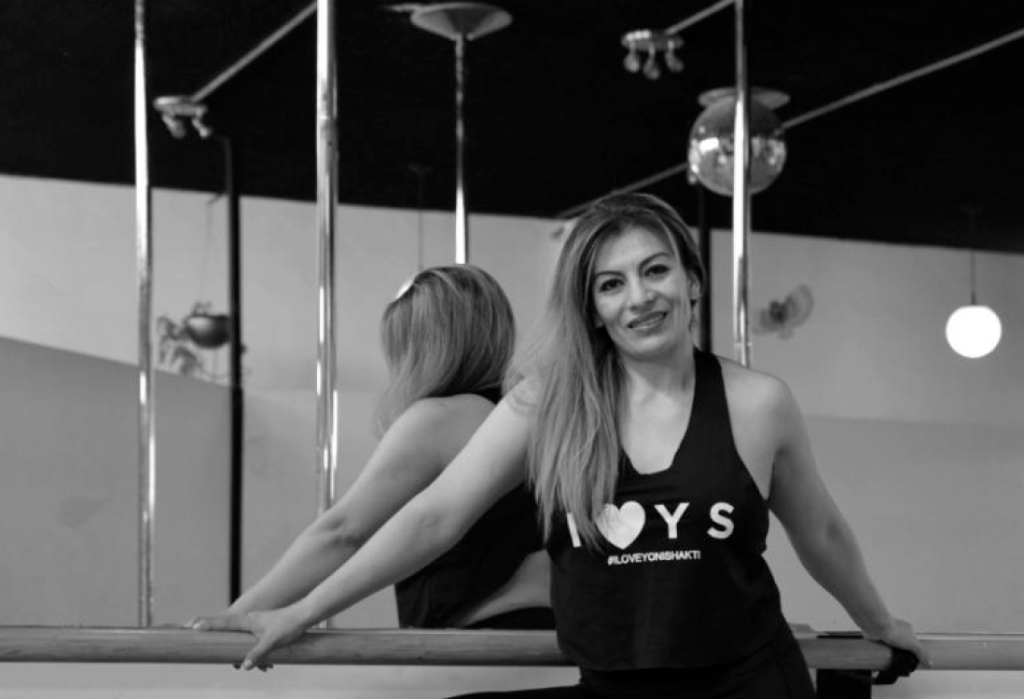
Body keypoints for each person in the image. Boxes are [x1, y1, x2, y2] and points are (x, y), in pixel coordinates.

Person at [192, 193, 927, 697]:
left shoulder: (759, 402)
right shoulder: (545, 405)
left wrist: (881, 624)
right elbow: (431, 518)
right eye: (611, 284)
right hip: (613, 687)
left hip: (751, 684)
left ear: (693, 281)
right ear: (593, 309)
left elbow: (821, 531)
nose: (639, 297)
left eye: (655, 270)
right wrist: (297, 611)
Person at [191, 264, 552, 632]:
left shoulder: (439, 419)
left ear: (418, 348)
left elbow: (344, 532)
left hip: (482, 638)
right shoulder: (521, 415)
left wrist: (239, 614)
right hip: (544, 632)